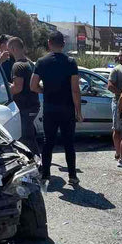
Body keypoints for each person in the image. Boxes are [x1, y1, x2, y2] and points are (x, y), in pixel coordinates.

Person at [31, 31, 83, 185]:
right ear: (63, 44)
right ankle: (72, 176)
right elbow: (75, 89)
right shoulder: (71, 62)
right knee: (69, 143)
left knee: (48, 143)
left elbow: (33, 86)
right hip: (67, 109)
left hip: (50, 109)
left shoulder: (41, 62)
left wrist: (44, 90)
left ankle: (46, 175)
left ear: (49, 43)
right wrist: (78, 111)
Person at [8, 36, 40, 154]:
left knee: (27, 140)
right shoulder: (30, 63)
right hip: (32, 105)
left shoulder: (17, 66)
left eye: (9, 49)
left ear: (12, 48)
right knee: (29, 138)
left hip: (25, 107)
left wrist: (4, 88)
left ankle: (38, 166)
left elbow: (17, 88)